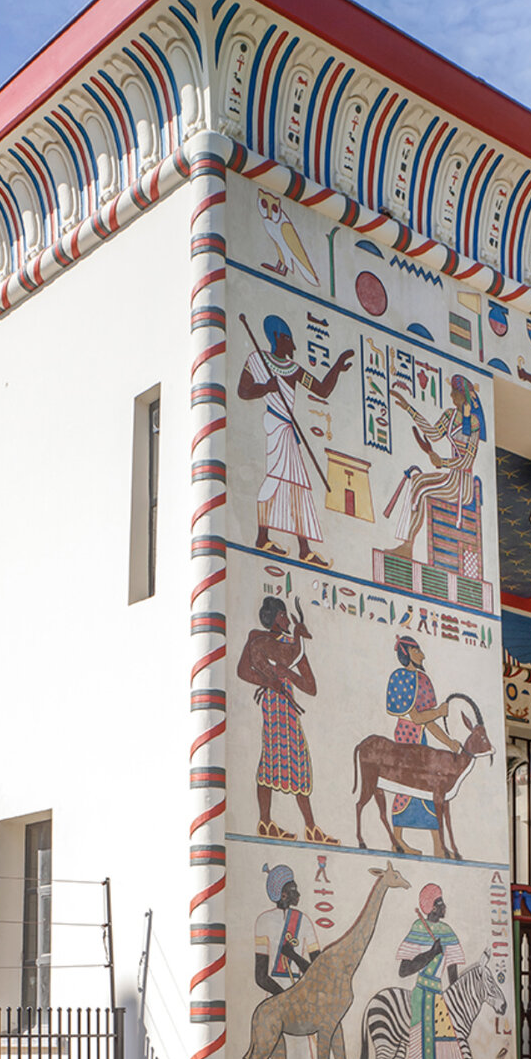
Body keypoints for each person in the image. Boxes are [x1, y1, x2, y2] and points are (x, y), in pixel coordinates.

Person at [238, 315, 354, 564]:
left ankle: (302, 548)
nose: (293, 345)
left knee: (297, 484)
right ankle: (264, 538)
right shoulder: (257, 360)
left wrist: (337, 366)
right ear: (278, 337)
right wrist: (266, 388)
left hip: (287, 430)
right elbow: (243, 391)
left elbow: (322, 389)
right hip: (276, 425)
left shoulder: (293, 369)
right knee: (277, 478)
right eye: (289, 338)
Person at [236, 595, 338, 844]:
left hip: (288, 710)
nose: (286, 620)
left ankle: (311, 827)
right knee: (271, 759)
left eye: (286, 615)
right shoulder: (258, 640)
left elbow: (311, 687)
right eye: (281, 615)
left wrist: (288, 674)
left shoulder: (293, 647)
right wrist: (268, 681)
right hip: (273, 707)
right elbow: (243, 670)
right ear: (271, 617)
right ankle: (266, 822)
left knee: (298, 761)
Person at [388, 375, 484, 562]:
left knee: (422, 491)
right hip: (451, 477)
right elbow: (432, 434)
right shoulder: (449, 415)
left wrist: (443, 463)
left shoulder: (473, 424)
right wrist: (409, 409)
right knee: (417, 480)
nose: (450, 395)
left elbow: (467, 462)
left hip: (462, 484)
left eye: (454, 392)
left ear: (462, 396)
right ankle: (405, 543)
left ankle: (408, 546)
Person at [395, 883, 462, 1059]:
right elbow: (404, 970)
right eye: (440, 902)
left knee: (450, 1047)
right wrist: (430, 954)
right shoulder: (418, 928)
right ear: (432, 907)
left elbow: (453, 973)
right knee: (419, 1050)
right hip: (423, 995)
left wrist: (456, 1001)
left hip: (440, 997)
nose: (444, 907)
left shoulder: (447, 931)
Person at [252, 863, 312, 997]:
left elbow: (317, 970)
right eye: (293, 890)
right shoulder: (264, 920)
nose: (298, 894)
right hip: (275, 998)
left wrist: (293, 956)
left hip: (300, 994)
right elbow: (261, 977)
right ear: (283, 895)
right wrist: (284, 999)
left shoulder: (304, 920)